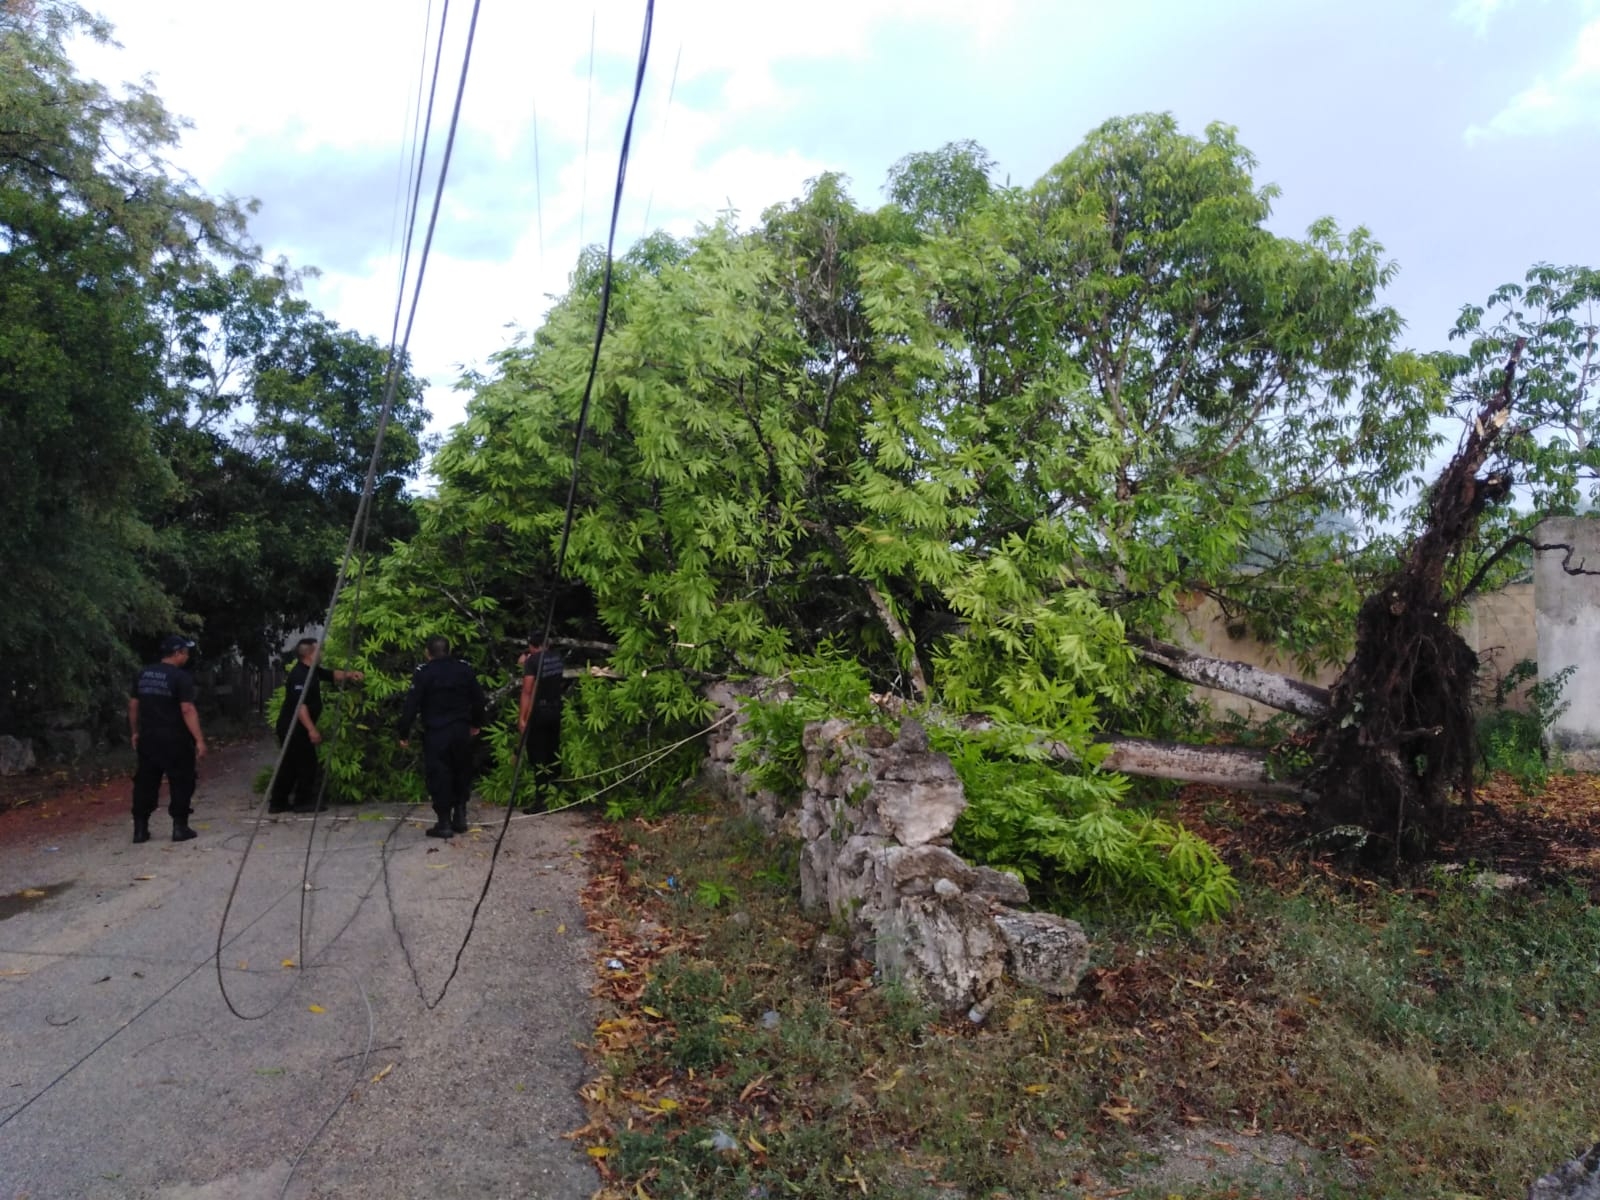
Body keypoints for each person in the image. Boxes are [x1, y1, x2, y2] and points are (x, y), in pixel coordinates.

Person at [398, 635, 487, 838]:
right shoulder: (464, 669)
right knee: (461, 770)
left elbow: (411, 705)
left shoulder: (424, 673)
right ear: (449, 650)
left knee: (440, 775)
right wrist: (476, 723)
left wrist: (404, 732)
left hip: (437, 732)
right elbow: (478, 699)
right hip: (460, 730)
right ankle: (460, 815)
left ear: (428, 652)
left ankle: (444, 822)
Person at [270, 637, 364, 814]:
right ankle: (302, 802)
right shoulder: (299, 675)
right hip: (294, 728)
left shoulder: (311, 670)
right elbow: (300, 706)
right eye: (319, 650)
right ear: (309, 654)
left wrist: (350, 674)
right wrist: (311, 729)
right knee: (307, 764)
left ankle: (278, 802)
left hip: (296, 727)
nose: (322, 654)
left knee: (289, 764)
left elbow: (330, 674)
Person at [128, 635, 206, 844]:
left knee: (145, 782)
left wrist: (135, 731)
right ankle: (180, 827)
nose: (188, 657)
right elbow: (187, 709)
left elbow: (134, 706)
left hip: (149, 738)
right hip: (176, 739)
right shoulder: (181, 678)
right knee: (181, 781)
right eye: (186, 653)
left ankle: (140, 829)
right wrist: (199, 739)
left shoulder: (142, 674)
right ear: (178, 653)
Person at [518, 634, 566, 809]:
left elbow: (527, 691)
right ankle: (556, 792)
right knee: (552, 750)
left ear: (533, 646)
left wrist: (522, 718)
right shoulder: (557, 658)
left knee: (537, 754)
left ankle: (541, 800)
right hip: (555, 708)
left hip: (538, 711)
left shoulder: (533, 662)